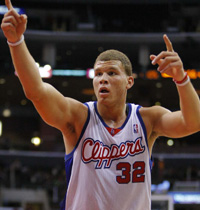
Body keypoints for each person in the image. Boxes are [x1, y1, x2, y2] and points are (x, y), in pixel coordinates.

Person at [1, 0, 200, 209]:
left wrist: (181, 78)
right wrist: (16, 42)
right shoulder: (78, 117)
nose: (102, 79)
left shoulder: (148, 119)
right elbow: (37, 92)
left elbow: (193, 122)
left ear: (129, 82)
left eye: (112, 73)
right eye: (98, 74)